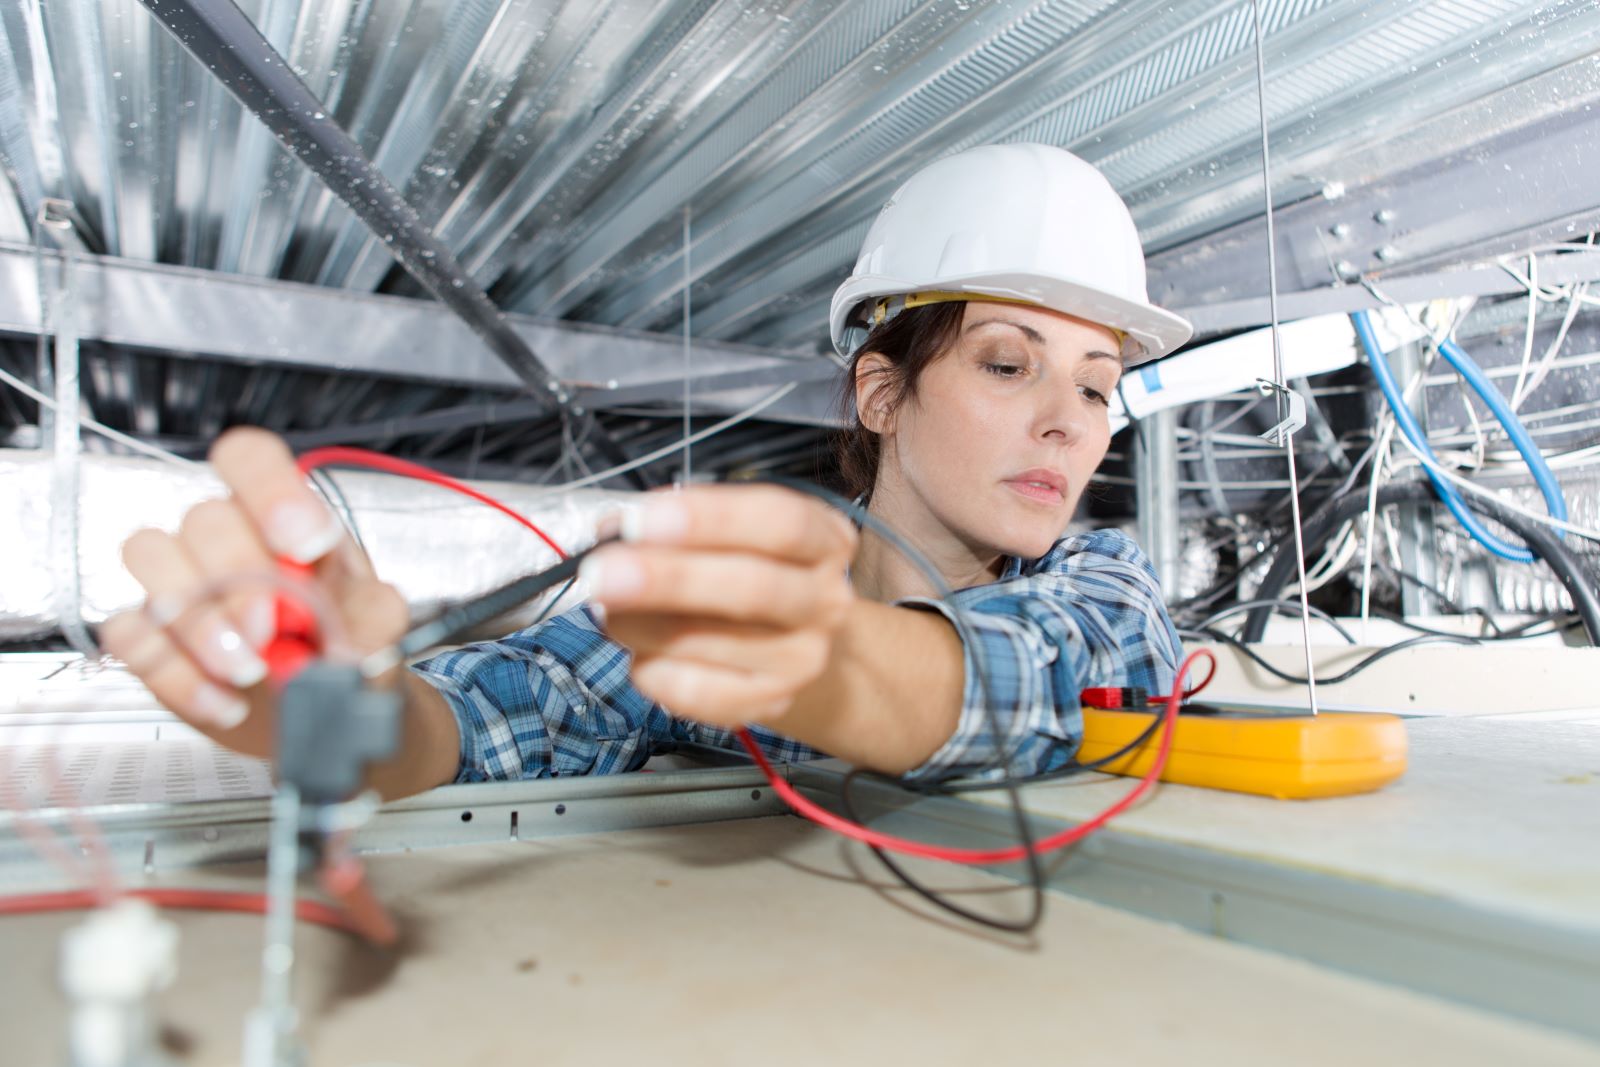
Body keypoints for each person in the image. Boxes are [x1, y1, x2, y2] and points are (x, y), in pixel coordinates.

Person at [101, 143, 1193, 799]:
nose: (1066, 421)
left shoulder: (1101, 588)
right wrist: (357, 714)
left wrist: (820, 663)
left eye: (1096, 385)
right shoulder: (696, 607)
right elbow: (502, 712)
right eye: (1009, 363)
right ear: (879, 393)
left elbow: (1080, 663)